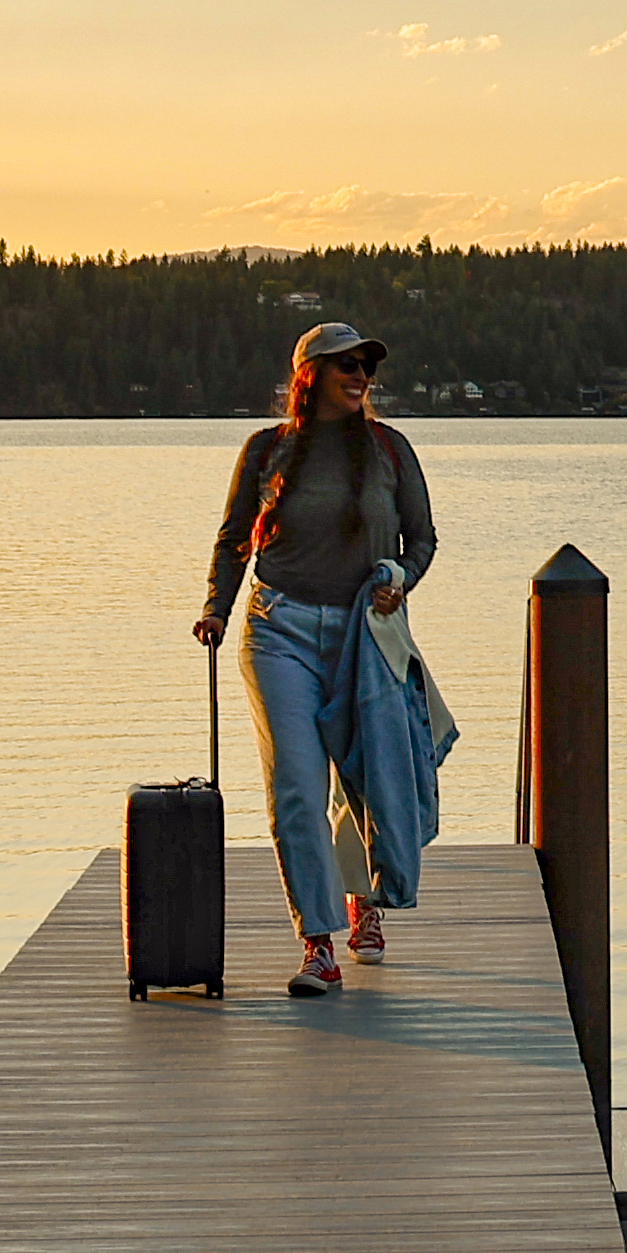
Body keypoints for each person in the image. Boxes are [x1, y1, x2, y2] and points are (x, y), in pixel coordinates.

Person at [194, 322, 444, 995]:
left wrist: (399, 574)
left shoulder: (391, 451)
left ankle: (365, 902)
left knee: (368, 780)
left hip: (366, 634)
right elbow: (231, 542)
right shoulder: (266, 450)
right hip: (279, 629)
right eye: (347, 364)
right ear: (310, 374)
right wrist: (217, 606)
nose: (361, 373)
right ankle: (318, 943)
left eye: (366, 364)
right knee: (299, 787)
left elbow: (423, 539)